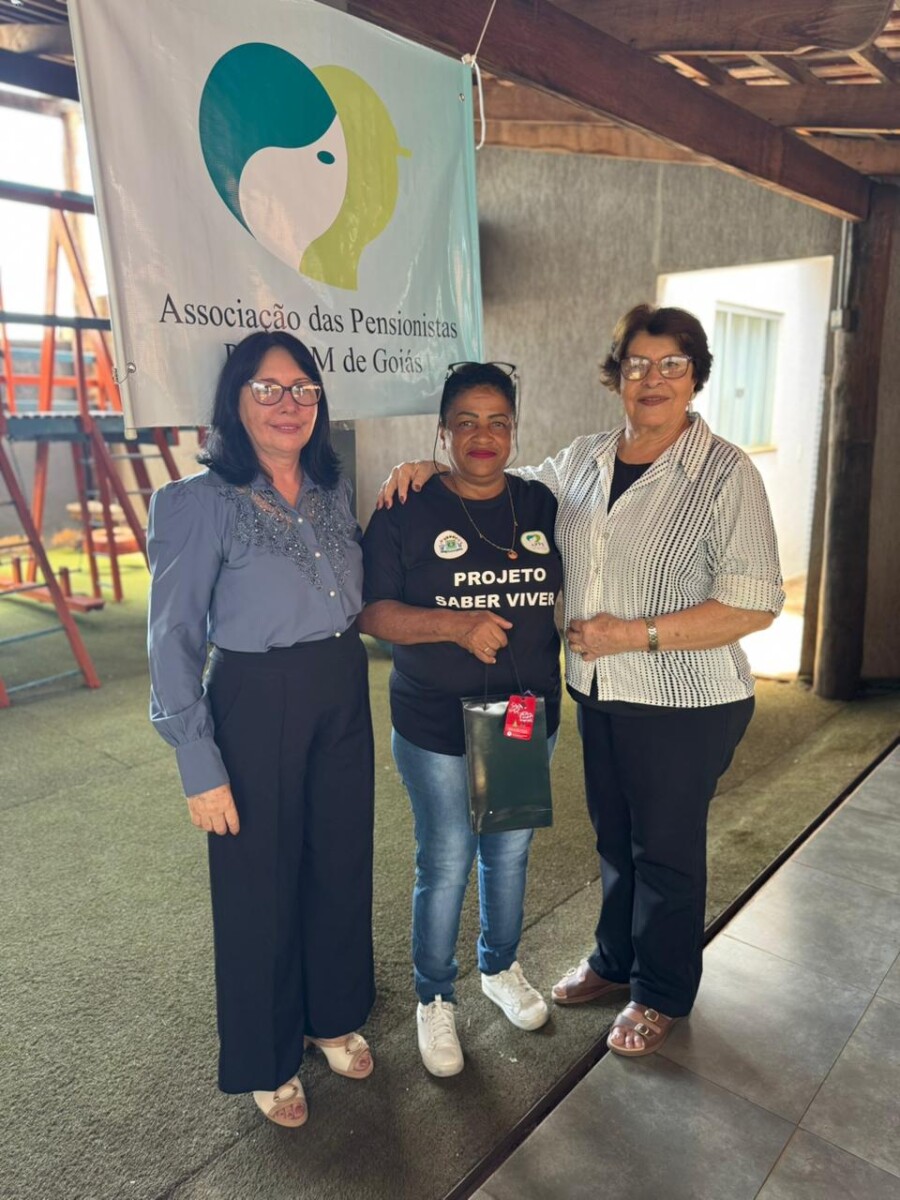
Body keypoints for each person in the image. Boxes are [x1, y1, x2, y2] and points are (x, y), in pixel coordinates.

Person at [377, 306, 784, 1058]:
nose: (652, 379)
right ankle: (614, 959)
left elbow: (756, 603)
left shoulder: (725, 473)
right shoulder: (587, 459)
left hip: (684, 700)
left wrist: (629, 634)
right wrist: (430, 468)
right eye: (637, 365)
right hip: (599, 695)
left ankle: (659, 991)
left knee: (665, 850)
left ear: (695, 376)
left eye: (671, 364)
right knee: (615, 839)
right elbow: (498, 477)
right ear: (617, 376)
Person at [147, 331, 375, 1127]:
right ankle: (267, 1055)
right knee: (259, 887)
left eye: (303, 388)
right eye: (268, 388)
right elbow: (172, 639)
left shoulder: (331, 490)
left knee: (339, 861)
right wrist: (198, 763)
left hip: (342, 683)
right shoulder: (197, 502)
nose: (289, 404)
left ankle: (330, 1015)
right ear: (235, 401)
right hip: (256, 695)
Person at [358, 361, 563, 1076]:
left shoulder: (541, 503)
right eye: (467, 421)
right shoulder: (405, 506)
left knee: (507, 852)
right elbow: (371, 611)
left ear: (514, 430)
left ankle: (499, 968)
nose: (484, 435)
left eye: (498, 421)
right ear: (442, 431)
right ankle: (435, 996)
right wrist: (454, 626)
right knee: (445, 858)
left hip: (520, 715)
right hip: (434, 722)